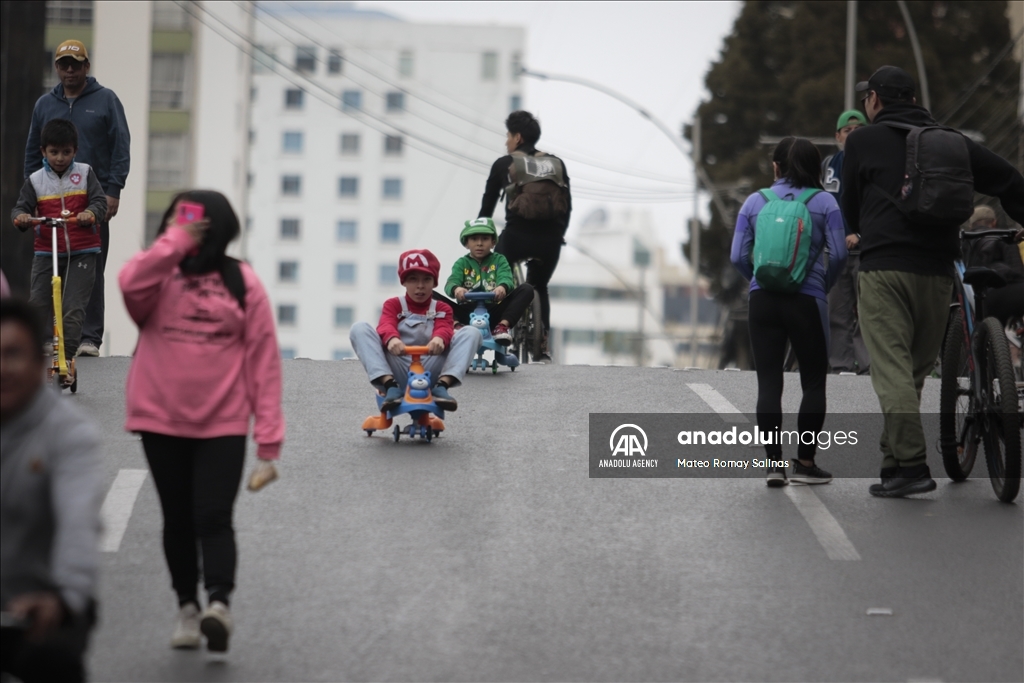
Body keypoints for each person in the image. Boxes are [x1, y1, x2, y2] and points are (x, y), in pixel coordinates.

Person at [843, 65, 1024, 498]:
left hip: (885, 269)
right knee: (912, 374)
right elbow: (1011, 181)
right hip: (939, 273)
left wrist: (857, 229)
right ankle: (892, 464)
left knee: (891, 371)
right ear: (914, 98)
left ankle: (911, 466)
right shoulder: (953, 142)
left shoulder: (863, 140)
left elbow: (848, 204)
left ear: (875, 101)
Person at [119, 190, 283, 652]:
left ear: (216, 226)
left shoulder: (241, 281)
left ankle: (218, 605)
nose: (180, 223)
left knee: (213, 515)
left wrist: (269, 441)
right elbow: (129, 284)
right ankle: (186, 608)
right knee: (177, 518)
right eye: (174, 217)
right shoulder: (156, 275)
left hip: (223, 422)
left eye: (190, 217)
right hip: (160, 418)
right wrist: (175, 241)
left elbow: (264, 362)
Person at [730, 137, 847, 487]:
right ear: (816, 169)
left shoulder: (754, 202)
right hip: (807, 299)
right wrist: (820, 286)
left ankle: (773, 466)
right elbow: (839, 253)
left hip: (763, 301)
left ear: (776, 167)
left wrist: (758, 281)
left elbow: (737, 255)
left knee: (769, 383)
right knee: (813, 382)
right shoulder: (826, 202)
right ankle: (806, 463)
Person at [1, 298, 102, 683]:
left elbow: (79, 523)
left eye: (13, 354)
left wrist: (63, 597)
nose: (2, 368)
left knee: (51, 660)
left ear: (39, 364)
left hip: (45, 599)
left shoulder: (70, 433)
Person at [25, 39, 131, 358]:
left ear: (87, 66)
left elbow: (120, 147)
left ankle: (88, 337)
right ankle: (47, 335)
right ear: (57, 67)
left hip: (91, 203)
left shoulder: (106, 100)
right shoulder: (45, 105)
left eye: (76, 64)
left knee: (90, 267)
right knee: (48, 267)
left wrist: (113, 191)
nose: (69, 70)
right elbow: (32, 152)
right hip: (49, 203)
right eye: (63, 64)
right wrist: (30, 197)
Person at [12, 119, 108, 387]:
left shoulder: (86, 174)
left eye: (66, 152)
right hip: (47, 252)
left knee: (72, 309)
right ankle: (37, 353)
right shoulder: (35, 181)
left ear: (75, 151)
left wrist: (91, 213)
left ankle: (65, 360)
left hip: (82, 252)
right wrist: (21, 217)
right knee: (39, 304)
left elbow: (99, 201)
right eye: (54, 152)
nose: (60, 158)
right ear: (43, 151)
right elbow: (20, 208)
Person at [479, 110, 572, 362]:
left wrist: (480, 240)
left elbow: (487, 209)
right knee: (540, 286)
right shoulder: (556, 164)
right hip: (550, 241)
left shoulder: (504, 164)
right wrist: (558, 236)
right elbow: (568, 206)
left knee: (499, 282)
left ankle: (500, 332)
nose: (506, 141)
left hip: (517, 237)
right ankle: (542, 347)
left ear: (517, 137)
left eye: (508, 136)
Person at [349, 249, 481, 413]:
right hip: (399, 368)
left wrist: (439, 338)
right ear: (404, 281)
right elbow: (386, 324)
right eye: (413, 279)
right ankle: (390, 386)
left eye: (427, 279)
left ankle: (442, 387)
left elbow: (445, 327)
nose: (420, 286)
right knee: (359, 328)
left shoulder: (441, 307)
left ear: (434, 282)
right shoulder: (394, 304)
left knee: (472, 332)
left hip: (431, 368)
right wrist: (392, 339)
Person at [821, 109, 871, 375]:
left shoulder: (874, 162)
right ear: (837, 136)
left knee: (868, 311)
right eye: (847, 130)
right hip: (836, 249)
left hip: (866, 248)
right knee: (836, 311)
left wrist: (860, 233)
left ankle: (866, 365)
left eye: (858, 129)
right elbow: (825, 203)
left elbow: (878, 206)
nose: (852, 135)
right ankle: (840, 364)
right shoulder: (831, 164)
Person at [439, 217, 535, 344]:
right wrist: (456, 288)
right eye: (474, 239)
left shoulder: (499, 260)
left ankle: (502, 327)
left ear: (493, 242)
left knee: (527, 289)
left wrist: (502, 287)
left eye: (485, 239)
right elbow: (451, 282)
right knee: (430, 296)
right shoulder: (461, 263)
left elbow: (506, 277)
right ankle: (456, 326)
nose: (479, 243)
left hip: (493, 311)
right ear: (467, 243)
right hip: (466, 312)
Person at [962, 205, 1024, 327]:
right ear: (994, 222)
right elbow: (1018, 272)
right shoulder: (1003, 238)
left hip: (975, 302)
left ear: (971, 225)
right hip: (1006, 294)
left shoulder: (963, 242)